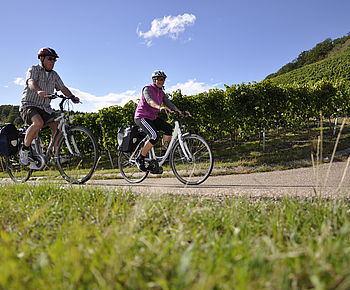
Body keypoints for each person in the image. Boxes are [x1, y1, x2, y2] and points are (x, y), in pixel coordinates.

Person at [19, 47, 79, 165]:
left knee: (57, 126)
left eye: (54, 60)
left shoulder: (54, 75)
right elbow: (31, 82)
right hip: (29, 105)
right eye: (50, 59)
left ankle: (54, 155)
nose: (52, 62)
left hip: (44, 108)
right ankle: (24, 150)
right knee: (38, 123)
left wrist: (72, 97)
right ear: (42, 59)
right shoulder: (34, 69)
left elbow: (62, 88)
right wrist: (38, 91)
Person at [134, 70, 187, 173]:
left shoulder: (161, 92)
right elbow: (149, 101)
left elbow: (170, 104)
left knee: (168, 128)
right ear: (154, 80)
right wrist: (160, 107)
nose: (161, 81)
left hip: (152, 117)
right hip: (142, 117)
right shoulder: (147, 89)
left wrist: (180, 112)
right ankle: (140, 158)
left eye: (163, 79)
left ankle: (163, 152)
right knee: (154, 136)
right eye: (159, 79)